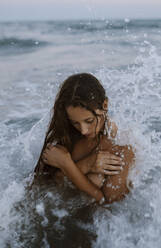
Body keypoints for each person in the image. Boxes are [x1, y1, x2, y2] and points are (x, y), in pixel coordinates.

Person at [33, 73, 134, 204]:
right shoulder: (66, 135)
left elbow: (110, 206)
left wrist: (67, 165)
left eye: (89, 120)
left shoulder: (121, 144)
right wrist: (86, 165)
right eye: (75, 122)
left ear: (105, 105)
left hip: (93, 221)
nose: (83, 130)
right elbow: (45, 186)